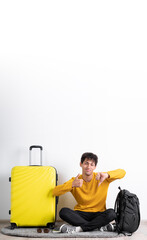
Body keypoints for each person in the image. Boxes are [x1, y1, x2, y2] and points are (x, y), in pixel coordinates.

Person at [52, 152, 126, 233]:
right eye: (86, 163)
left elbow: (122, 172)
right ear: (81, 164)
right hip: (81, 214)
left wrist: (107, 175)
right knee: (63, 212)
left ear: (95, 167)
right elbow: (55, 192)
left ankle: (80, 228)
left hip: (99, 214)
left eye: (92, 164)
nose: (88, 167)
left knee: (111, 213)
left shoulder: (102, 177)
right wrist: (72, 185)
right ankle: (97, 227)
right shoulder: (75, 180)